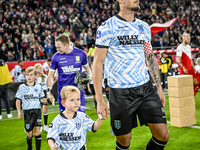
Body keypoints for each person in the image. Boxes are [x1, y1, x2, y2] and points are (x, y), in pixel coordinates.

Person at [93, 1, 170, 150]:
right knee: (124, 140)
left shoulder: (143, 27)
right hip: (120, 92)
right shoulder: (107, 27)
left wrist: (159, 87)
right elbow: (97, 63)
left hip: (145, 88)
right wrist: (99, 98)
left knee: (163, 135)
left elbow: (149, 56)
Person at [47, 85, 102, 150]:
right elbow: (50, 136)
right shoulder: (58, 120)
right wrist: (52, 145)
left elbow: (94, 127)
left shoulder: (82, 116)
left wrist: (100, 118)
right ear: (63, 103)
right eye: (72, 100)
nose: (76, 102)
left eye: (78, 99)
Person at [47, 34, 91, 113]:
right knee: (66, 120)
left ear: (67, 45)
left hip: (78, 92)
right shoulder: (55, 57)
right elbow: (50, 75)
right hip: (63, 93)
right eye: (56, 47)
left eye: (59, 47)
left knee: (80, 118)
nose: (57, 49)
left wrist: (89, 77)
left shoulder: (81, 54)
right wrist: (48, 90)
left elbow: (87, 69)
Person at [15, 66, 47, 150]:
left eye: (31, 75)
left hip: (37, 112)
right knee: (29, 134)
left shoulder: (38, 87)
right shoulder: (22, 87)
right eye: (27, 75)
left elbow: (42, 99)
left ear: (36, 76)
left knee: (37, 132)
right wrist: (19, 112)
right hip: (27, 113)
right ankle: (29, 147)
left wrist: (47, 99)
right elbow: (18, 101)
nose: (29, 77)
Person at [34, 63, 49, 132]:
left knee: (45, 109)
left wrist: (49, 92)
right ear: (36, 69)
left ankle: (45, 125)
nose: (41, 69)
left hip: (44, 93)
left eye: (41, 68)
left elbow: (48, 85)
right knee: (37, 111)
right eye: (39, 68)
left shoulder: (45, 76)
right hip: (36, 94)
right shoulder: (34, 78)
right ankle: (39, 126)